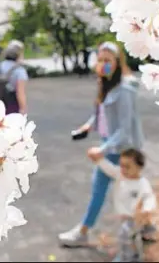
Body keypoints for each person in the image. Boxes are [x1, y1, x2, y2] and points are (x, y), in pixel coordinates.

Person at [59, 41, 152, 247]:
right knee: (129, 190)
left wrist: (101, 150)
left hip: (123, 149)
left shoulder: (125, 90)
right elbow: (101, 115)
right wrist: (87, 127)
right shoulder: (105, 85)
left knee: (108, 191)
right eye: (100, 60)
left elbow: (125, 129)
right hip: (110, 145)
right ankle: (146, 226)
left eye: (107, 60)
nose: (102, 64)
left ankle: (83, 232)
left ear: (117, 63)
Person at [87, 148, 156, 262]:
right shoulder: (120, 175)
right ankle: (147, 232)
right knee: (130, 236)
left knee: (125, 236)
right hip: (124, 216)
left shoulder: (142, 184)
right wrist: (99, 160)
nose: (123, 169)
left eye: (127, 166)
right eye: (121, 165)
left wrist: (146, 209)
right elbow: (109, 169)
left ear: (139, 167)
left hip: (134, 217)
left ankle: (127, 258)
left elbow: (149, 197)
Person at [0, 40, 29, 114]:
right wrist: (23, 109)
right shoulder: (20, 70)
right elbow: (20, 92)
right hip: (12, 104)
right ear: (18, 55)